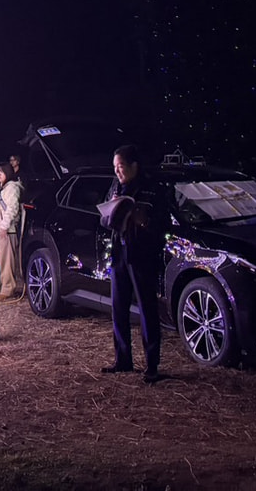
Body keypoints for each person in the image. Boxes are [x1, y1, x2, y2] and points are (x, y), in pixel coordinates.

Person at [101, 145, 166, 384]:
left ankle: (152, 365)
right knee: (118, 307)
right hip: (119, 253)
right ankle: (123, 359)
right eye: (115, 168)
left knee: (147, 310)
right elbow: (103, 219)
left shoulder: (151, 189)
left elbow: (162, 222)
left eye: (121, 167)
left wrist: (144, 221)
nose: (117, 172)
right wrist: (112, 210)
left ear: (134, 166)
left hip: (142, 255)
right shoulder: (115, 187)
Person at [0, 160, 24, 300]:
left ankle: (8, 288)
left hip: (6, 230)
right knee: (0, 260)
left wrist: (4, 226)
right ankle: (2, 284)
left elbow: (12, 208)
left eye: (1, 172)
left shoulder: (12, 188)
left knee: (7, 261)